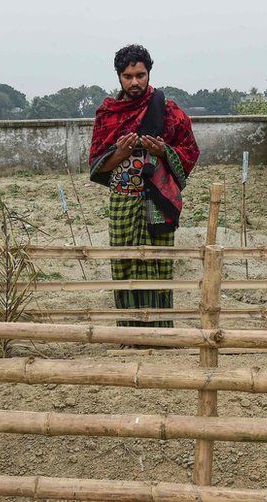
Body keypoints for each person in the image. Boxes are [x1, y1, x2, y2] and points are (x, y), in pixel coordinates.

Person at [89, 44, 200, 327]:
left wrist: (164, 151)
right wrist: (120, 154)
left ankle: (160, 330)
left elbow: (189, 151)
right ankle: (129, 331)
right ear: (119, 77)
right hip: (123, 200)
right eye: (128, 76)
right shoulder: (108, 114)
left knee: (158, 263)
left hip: (158, 201)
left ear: (149, 73)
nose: (135, 82)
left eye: (140, 75)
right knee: (124, 263)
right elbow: (97, 165)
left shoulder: (169, 110)